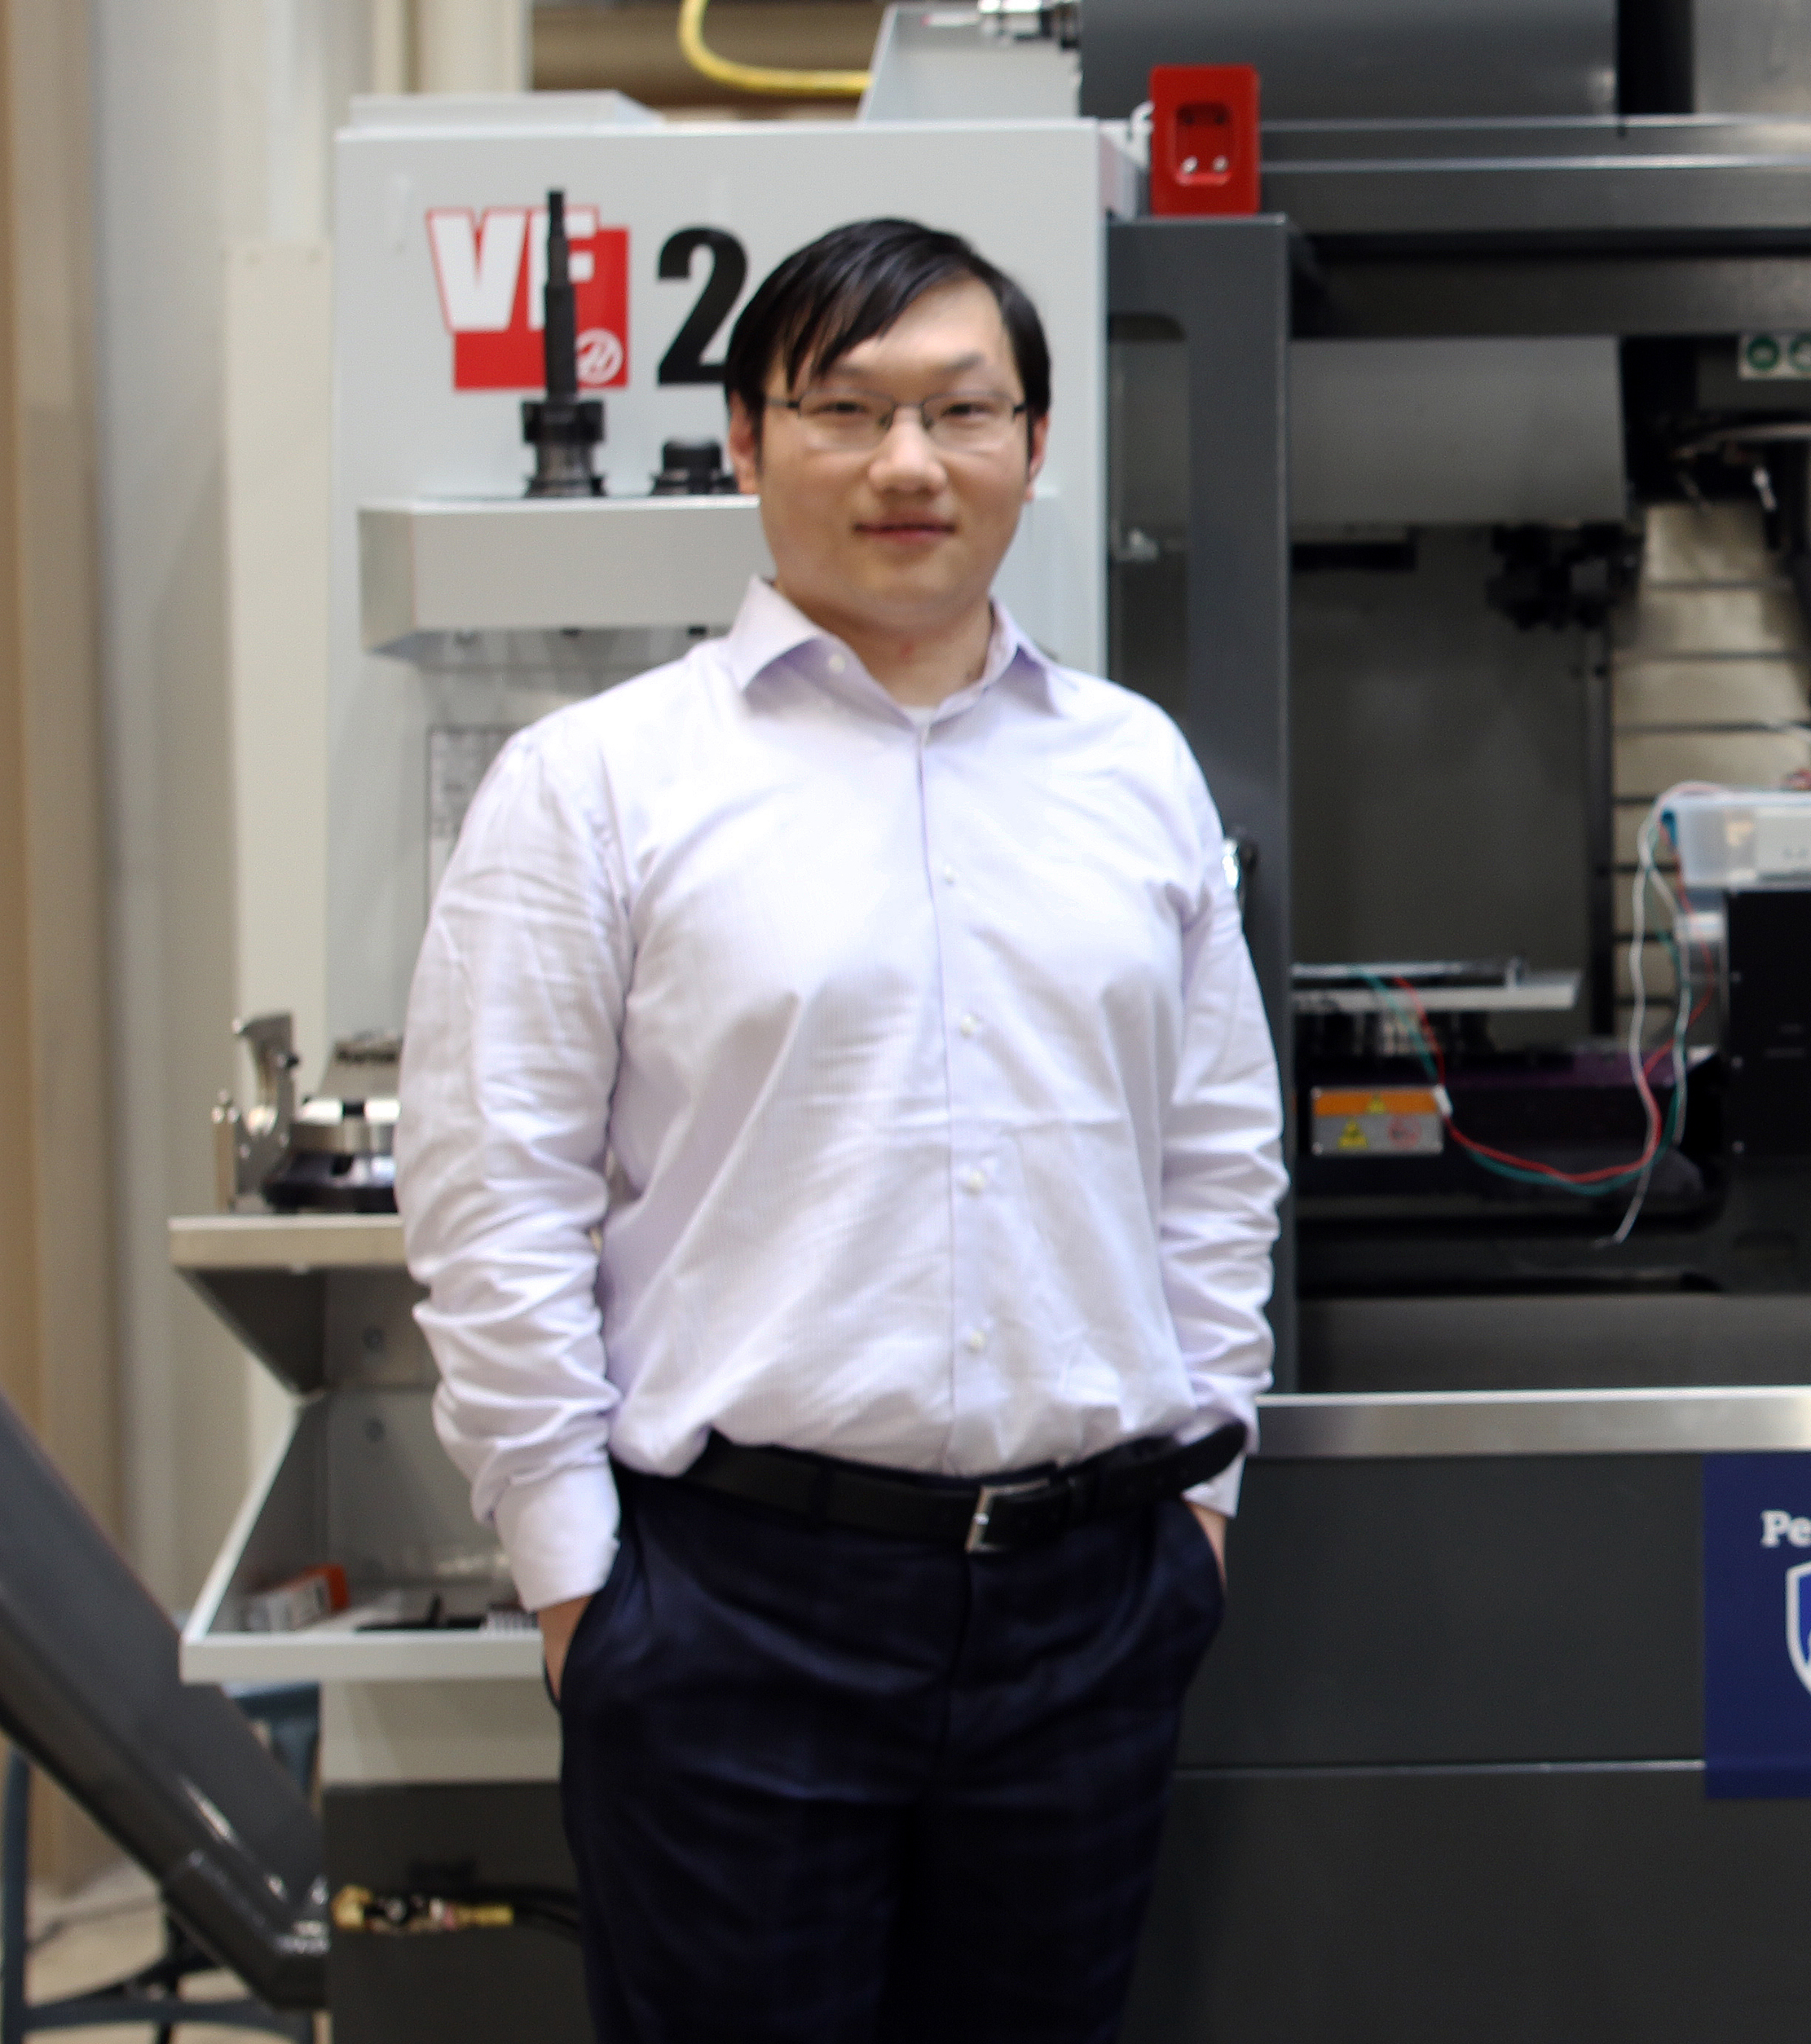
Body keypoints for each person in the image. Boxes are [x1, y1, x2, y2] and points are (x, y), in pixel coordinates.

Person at [398, 217, 1288, 2044]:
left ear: (1036, 446)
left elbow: (1213, 1157)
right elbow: (495, 1202)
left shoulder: (1132, 771)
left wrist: (1202, 1493)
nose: (907, 462)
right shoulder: (597, 785)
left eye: (963, 410)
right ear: (743, 438)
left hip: (1092, 1607)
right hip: (734, 1612)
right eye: (846, 408)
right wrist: (578, 1584)